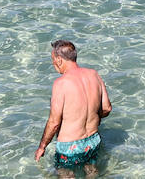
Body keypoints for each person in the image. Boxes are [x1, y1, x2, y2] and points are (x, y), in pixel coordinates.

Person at [34, 39, 111, 176]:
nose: (53, 63)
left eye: (52, 59)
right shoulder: (94, 74)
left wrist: (42, 147)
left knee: (66, 175)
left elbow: (54, 123)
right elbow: (106, 108)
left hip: (70, 147)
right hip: (93, 141)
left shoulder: (61, 83)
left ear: (59, 60)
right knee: (92, 172)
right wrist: (93, 117)